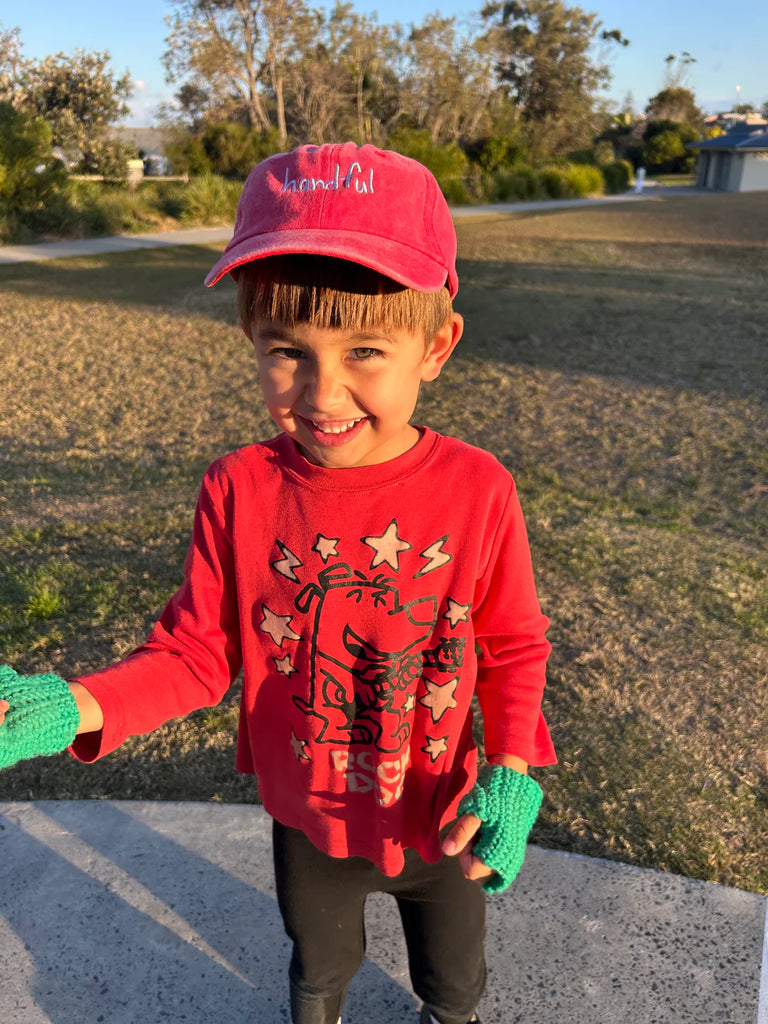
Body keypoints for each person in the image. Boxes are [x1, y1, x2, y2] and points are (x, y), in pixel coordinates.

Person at [0, 142, 556, 1024]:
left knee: (454, 985)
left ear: (437, 345)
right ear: (251, 340)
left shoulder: (480, 488)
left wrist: (513, 767)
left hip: (442, 811)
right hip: (307, 813)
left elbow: (514, 643)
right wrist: (76, 705)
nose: (323, 391)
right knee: (318, 972)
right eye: (287, 350)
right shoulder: (237, 488)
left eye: (367, 349)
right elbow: (192, 656)